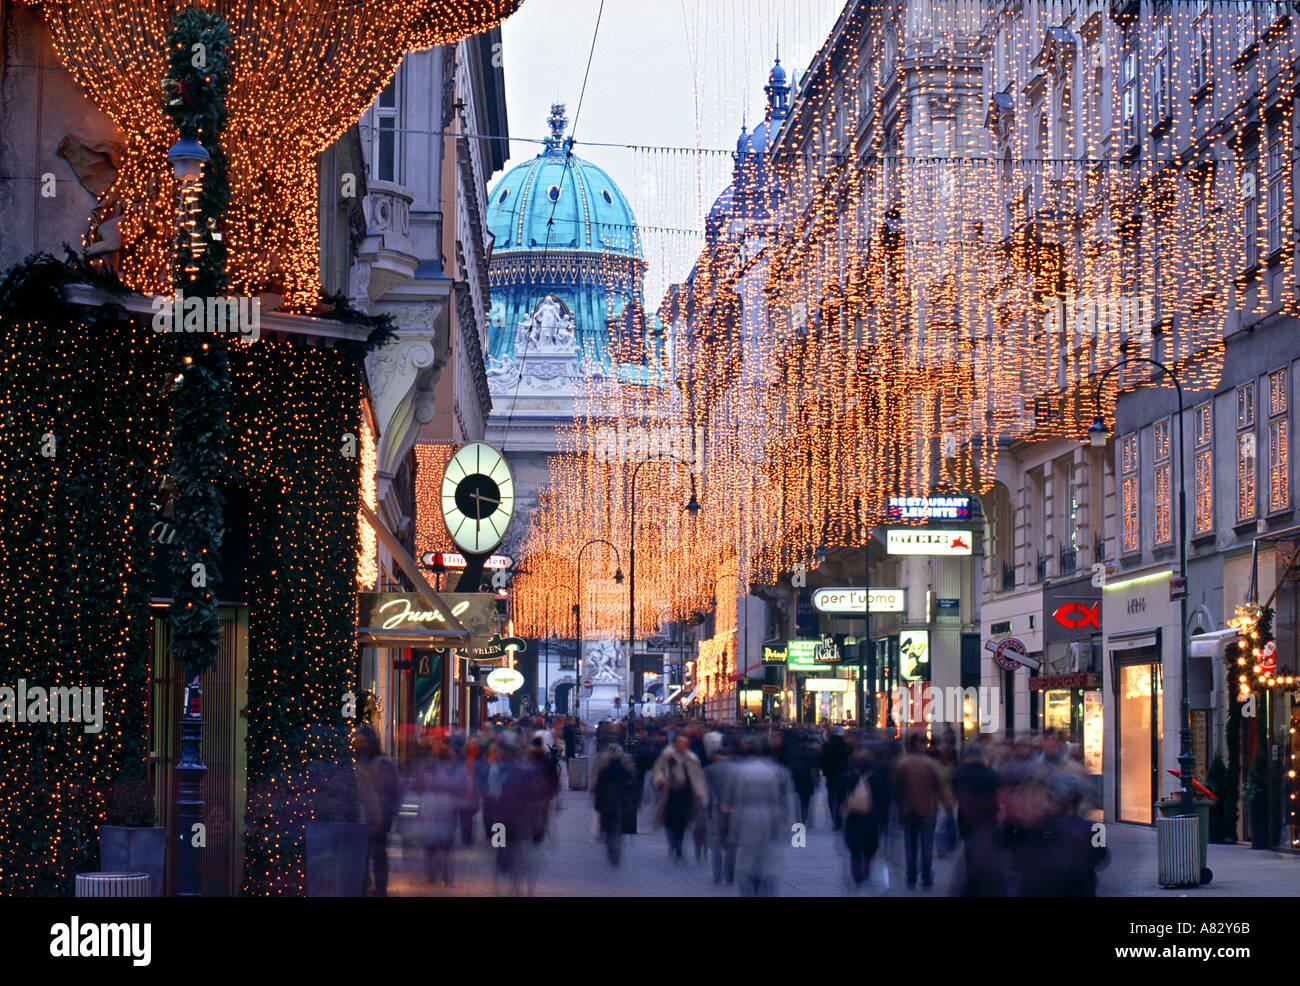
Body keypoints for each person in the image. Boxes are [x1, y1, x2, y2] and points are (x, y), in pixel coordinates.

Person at [722, 735, 793, 895]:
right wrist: (794, 833)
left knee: (746, 861)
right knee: (768, 860)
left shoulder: (738, 770)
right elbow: (787, 802)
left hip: (745, 817)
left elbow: (730, 801)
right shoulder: (779, 771)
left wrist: (730, 830)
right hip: (772, 817)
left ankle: (749, 889)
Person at [892, 733, 952, 889]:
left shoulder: (903, 763)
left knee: (910, 845)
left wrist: (898, 808)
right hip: (928, 810)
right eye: (923, 743)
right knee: (926, 845)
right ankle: (926, 875)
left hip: (908, 810)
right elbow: (940, 788)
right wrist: (948, 808)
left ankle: (911, 875)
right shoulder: (930, 763)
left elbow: (896, 788)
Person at [354, 726, 401, 897]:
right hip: (363, 818)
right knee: (365, 856)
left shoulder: (382, 764)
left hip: (378, 817)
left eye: (363, 741)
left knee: (378, 855)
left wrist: (385, 816)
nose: (360, 745)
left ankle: (379, 890)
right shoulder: (358, 763)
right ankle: (367, 887)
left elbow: (392, 791)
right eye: (358, 741)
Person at [651, 732, 708, 860]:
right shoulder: (667, 756)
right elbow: (657, 770)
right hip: (670, 792)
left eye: (685, 743)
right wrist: (661, 780)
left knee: (682, 821)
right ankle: (673, 843)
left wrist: (700, 793)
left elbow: (697, 777)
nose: (682, 745)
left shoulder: (692, 758)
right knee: (670, 819)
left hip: (686, 793)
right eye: (680, 743)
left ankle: (679, 847)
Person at [841, 747, 879, 888]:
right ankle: (866, 867)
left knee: (854, 845)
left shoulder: (849, 773)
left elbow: (841, 792)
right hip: (870, 815)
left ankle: (857, 873)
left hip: (853, 815)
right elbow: (881, 794)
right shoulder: (875, 774)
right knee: (869, 844)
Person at [592, 743, 636, 865]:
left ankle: (605, 835)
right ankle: (615, 845)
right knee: (618, 823)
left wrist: (597, 802)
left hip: (606, 800)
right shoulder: (625, 770)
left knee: (607, 822)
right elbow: (630, 786)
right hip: (620, 801)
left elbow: (599, 787)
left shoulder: (605, 770)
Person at [704, 744, 738, 884]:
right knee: (732, 843)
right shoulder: (737, 770)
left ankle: (717, 875)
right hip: (733, 808)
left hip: (715, 808)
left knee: (716, 842)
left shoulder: (709, 769)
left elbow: (705, 791)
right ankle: (730, 874)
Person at [821, 728, 851, 830]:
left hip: (830, 774)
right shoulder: (846, 747)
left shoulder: (827, 746)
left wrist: (824, 771)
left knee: (831, 796)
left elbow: (823, 760)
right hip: (842, 774)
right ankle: (840, 818)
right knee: (841, 797)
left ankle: (834, 818)